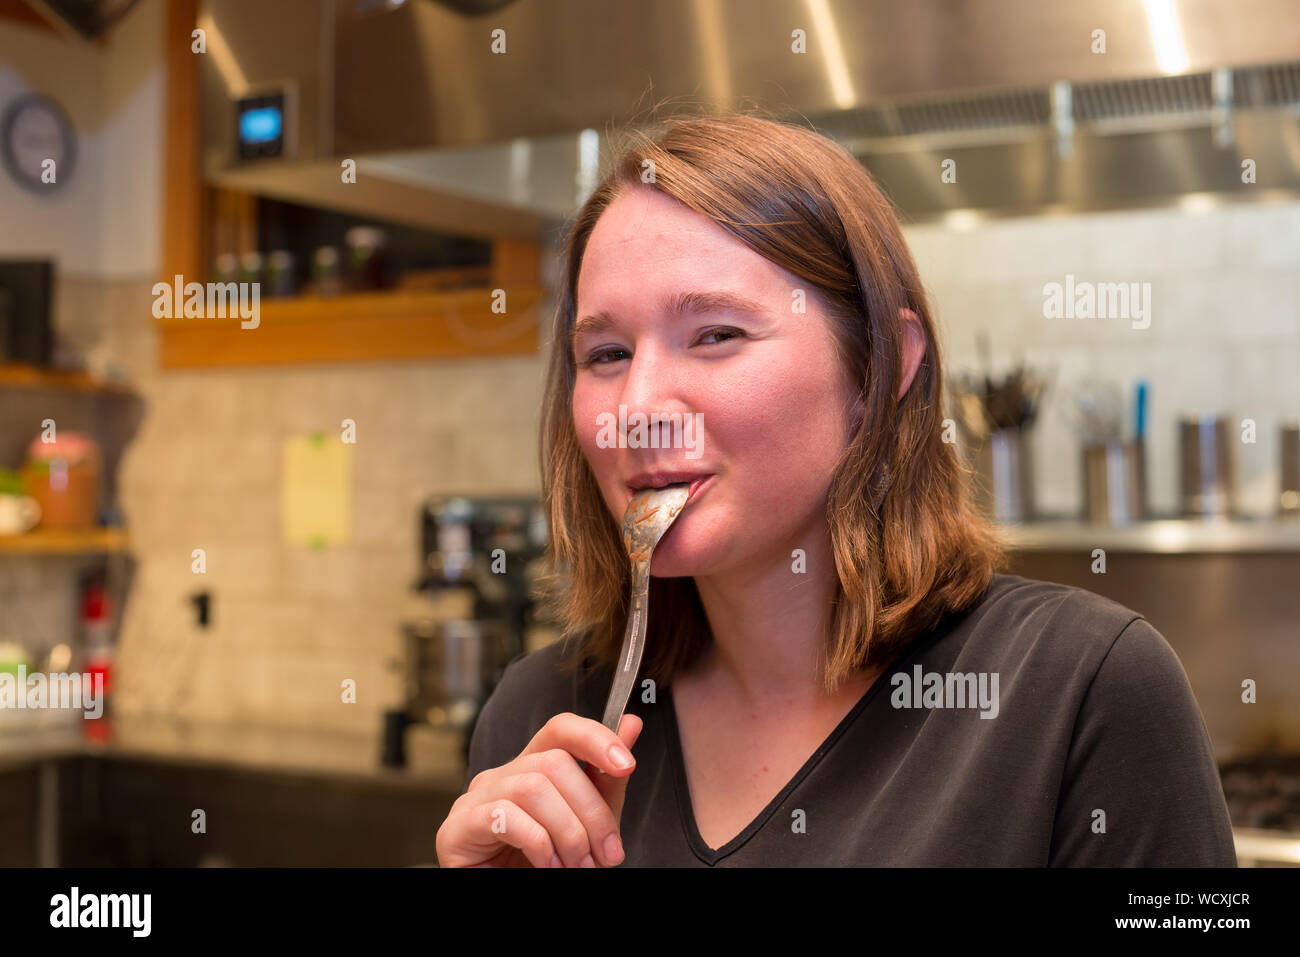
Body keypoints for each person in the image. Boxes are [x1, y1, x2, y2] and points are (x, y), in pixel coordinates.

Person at [434, 112, 1237, 868]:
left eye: (716, 335)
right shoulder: (540, 715)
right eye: (605, 353)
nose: (636, 411)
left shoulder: (1079, 689)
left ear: (881, 367)